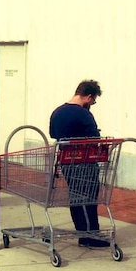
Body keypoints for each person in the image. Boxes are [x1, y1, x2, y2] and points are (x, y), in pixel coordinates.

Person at [48, 79, 108, 248]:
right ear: (88, 97)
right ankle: (91, 235)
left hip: (67, 162)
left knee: (75, 196)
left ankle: (82, 233)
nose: (92, 104)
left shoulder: (57, 112)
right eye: (93, 100)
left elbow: (53, 134)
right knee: (89, 196)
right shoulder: (83, 114)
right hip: (85, 161)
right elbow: (95, 138)